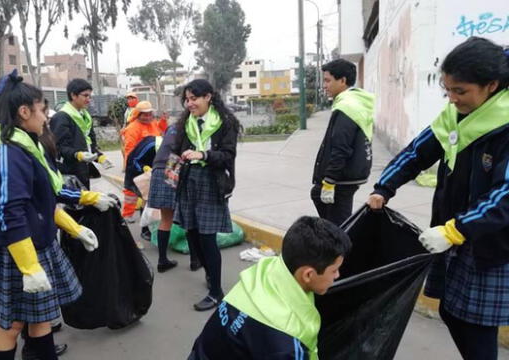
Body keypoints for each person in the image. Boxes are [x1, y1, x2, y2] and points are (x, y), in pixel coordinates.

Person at [366, 37, 509, 360]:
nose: (452, 98)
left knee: (474, 324)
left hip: (490, 243)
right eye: (448, 90)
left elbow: (505, 196)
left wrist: (453, 230)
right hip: (455, 234)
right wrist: (383, 188)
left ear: (491, 85)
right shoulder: (455, 117)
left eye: (460, 91)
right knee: (450, 311)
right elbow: (418, 152)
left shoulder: (504, 126)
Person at [0, 72, 99, 360]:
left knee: (41, 318)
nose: (46, 117)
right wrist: (30, 267)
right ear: (24, 111)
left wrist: (75, 227)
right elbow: (10, 213)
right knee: (12, 325)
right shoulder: (9, 152)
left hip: (37, 245)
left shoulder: (28, 145)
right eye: (42, 109)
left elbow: (43, 201)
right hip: (19, 251)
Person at [188, 216, 351, 359]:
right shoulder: (286, 343)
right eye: (334, 270)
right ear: (308, 275)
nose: (337, 276)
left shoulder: (265, 271)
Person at [171, 79, 240, 311]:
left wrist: (203, 155)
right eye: (187, 100)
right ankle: (211, 274)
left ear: (208, 97)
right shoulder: (186, 123)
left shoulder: (225, 122)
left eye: (194, 98)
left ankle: (216, 292)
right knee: (192, 234)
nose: (190, 104)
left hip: (212, 183)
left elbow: (228, 155)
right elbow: (177, 149)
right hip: (189, 182)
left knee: (207, 238)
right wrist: (176, 161)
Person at [312, 58, 375, 225]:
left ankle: (343, 251)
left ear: (342, 81)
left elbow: (341, 148)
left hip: (341, 179)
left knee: (338, 227)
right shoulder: (354, 102)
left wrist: (329, 181)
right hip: (349, 176)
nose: (324, 86)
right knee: (322, 202)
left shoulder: (347, 107)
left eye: (327, 80)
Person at [49, 78, 109, 190]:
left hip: (83, 170)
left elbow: (90, 144)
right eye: (85, 96)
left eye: (90, 96)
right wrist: (78, 154)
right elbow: (59, 148)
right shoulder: (61, 118)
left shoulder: (85, 117)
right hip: (68, 171)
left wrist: (99, 157)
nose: (89, 99)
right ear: (73, 95)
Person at [121, 101, 167, 227]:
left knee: (147, 190)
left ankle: (147, 216)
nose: (147, 117)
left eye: (149, 114)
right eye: (144, 115)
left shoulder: (152, 123)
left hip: (151, 162)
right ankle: (127, 214)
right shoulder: (132, 128)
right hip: (136, 162)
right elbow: (129, 150)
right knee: (131, 190)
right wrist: (132, 166)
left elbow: (160, 131)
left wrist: (163, 120)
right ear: (138, 114)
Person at [147, 123, 181, 272]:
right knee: (186, 216)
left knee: (165, 218)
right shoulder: (191, 127)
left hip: (158, 167)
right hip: (172, 166)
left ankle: (162, 260)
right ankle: (195, 260)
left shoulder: (172, 126)